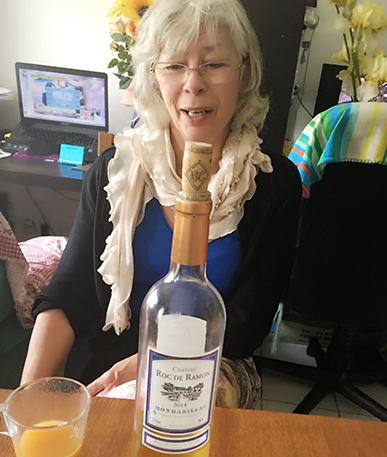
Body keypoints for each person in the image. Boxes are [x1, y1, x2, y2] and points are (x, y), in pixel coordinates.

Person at [20, 0, 302, 408]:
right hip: (107, 360)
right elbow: (69, 291)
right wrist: (26, 396)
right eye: (174, 66)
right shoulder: (115, 171)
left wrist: (151, 367)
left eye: (213, 64)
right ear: (153, 76)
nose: (193, 83)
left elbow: (247, 323)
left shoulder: (274, 183)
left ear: (243, 73)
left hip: (214, 359)